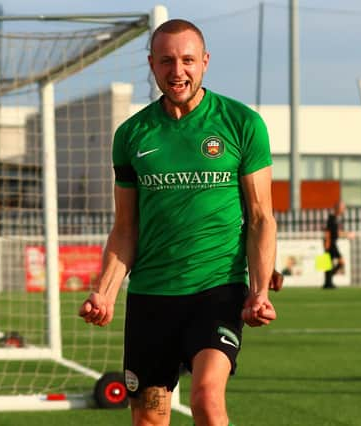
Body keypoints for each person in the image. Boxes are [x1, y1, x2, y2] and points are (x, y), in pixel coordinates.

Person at [78, 19, 278, 426]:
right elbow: (125, 228)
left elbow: (261, 216)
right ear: (152, 64)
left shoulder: (242, 124)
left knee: (206, 398)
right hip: (152, 297)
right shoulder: (132, 135)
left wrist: (258, 291)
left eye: (187, 60)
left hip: (217, 291)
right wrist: (105, 292)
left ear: (205, 62)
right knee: (151, 418)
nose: (178, 71)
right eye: (167, 60)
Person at [322, 201, 354, 289]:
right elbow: (327, 232)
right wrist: (327, 243)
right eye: (342, 208)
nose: (343, 210)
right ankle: (328, 281)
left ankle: (328, 283)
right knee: (339, 262)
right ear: (337, 208)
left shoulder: (335, 219)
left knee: (329, 263)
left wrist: (347, 234)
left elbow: (337, 232)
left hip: (332, 242)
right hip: (330, 243)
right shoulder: (331, 218)